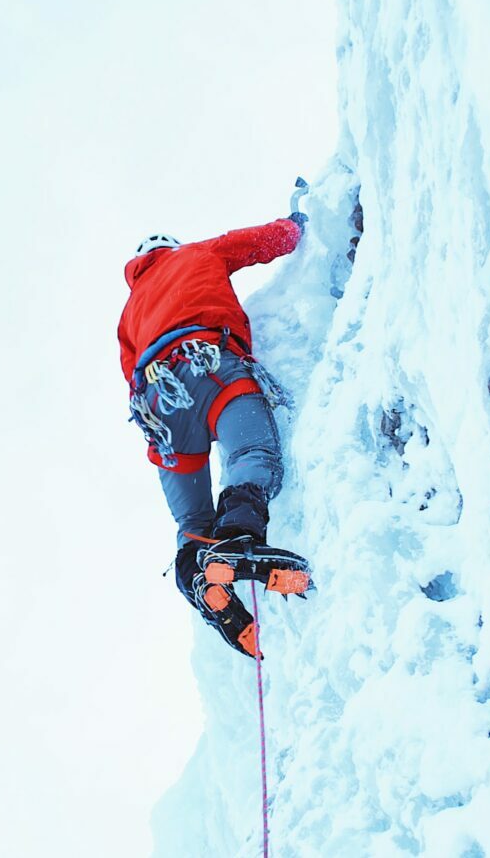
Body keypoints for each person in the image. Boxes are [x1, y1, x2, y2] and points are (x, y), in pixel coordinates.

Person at [119, 203, 313, 657]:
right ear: (172, 248)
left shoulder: (129, 314)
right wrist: (296, 226)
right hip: (210, 366)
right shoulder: (197, 254)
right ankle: (238, 540)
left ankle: (199, 577)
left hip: (159, 404)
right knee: (252, 456)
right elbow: (257, 243)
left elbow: (129, 370)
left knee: (192, 521)